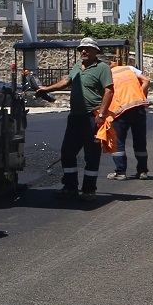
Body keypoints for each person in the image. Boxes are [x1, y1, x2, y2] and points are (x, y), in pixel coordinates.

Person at [36, 37, 113, 200]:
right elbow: (66, 81)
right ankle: (70, 186)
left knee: (91, 154)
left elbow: (109, 91)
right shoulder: (78, 66)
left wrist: (101, 114)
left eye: (87, 49)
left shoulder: (102, 68)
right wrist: (46, 89)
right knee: (67, 152)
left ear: (95, 51)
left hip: (92, 117)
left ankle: (89, 190)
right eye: (81, 49)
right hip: (75, 117)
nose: (83, 51)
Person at [108, 52, 150, 180]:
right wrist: (140, 95)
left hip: (120, 111)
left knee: (118, 142)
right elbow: (146, 80)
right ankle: (142, 171)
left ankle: (120, 172)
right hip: (138, 107)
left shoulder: (105, 75)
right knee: (140, 141)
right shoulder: (129, 69)